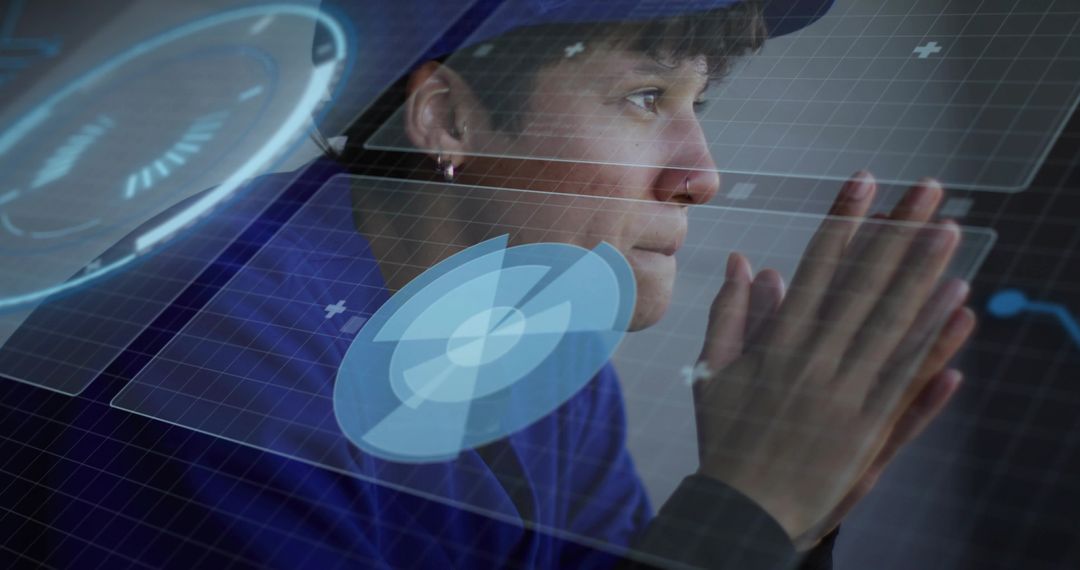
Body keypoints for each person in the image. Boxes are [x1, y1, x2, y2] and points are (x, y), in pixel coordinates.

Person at [29, 1, 976, 568]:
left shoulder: (519, 322)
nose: (702, 173)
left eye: (700, 104)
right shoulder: (216, 374)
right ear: (446, 118)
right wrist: (750, 509)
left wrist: (786, 512)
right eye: (645, 99)